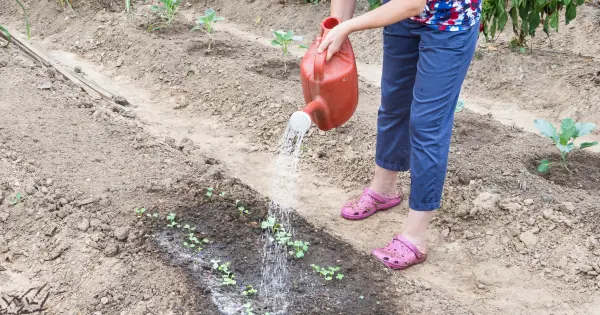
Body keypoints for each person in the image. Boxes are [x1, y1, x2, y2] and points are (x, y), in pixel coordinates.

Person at [317, 0, 480, 269]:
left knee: (427, 124)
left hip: (449, 24)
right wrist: (334, 28)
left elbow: (412, 4)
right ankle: (384, 190)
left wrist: (348, 27)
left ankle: (415, 236)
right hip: (401, 20)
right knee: (393, 105)